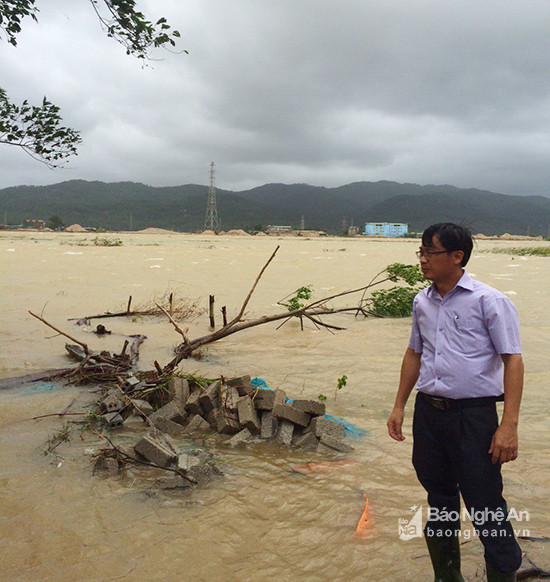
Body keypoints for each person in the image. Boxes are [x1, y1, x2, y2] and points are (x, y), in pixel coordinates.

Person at [387, 223, 523, 582]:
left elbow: (513, 360)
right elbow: (415, 352)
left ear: (456, 256)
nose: (422, 260)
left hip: (474, 417)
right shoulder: (422, 301)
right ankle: (447, 577)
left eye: (429, 252)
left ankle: (503, 571)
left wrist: (508, 425)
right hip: (429, 414)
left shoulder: (489, 301)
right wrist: (399, 405)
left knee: (486, 505)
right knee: (440, 498)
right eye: (421, 252)